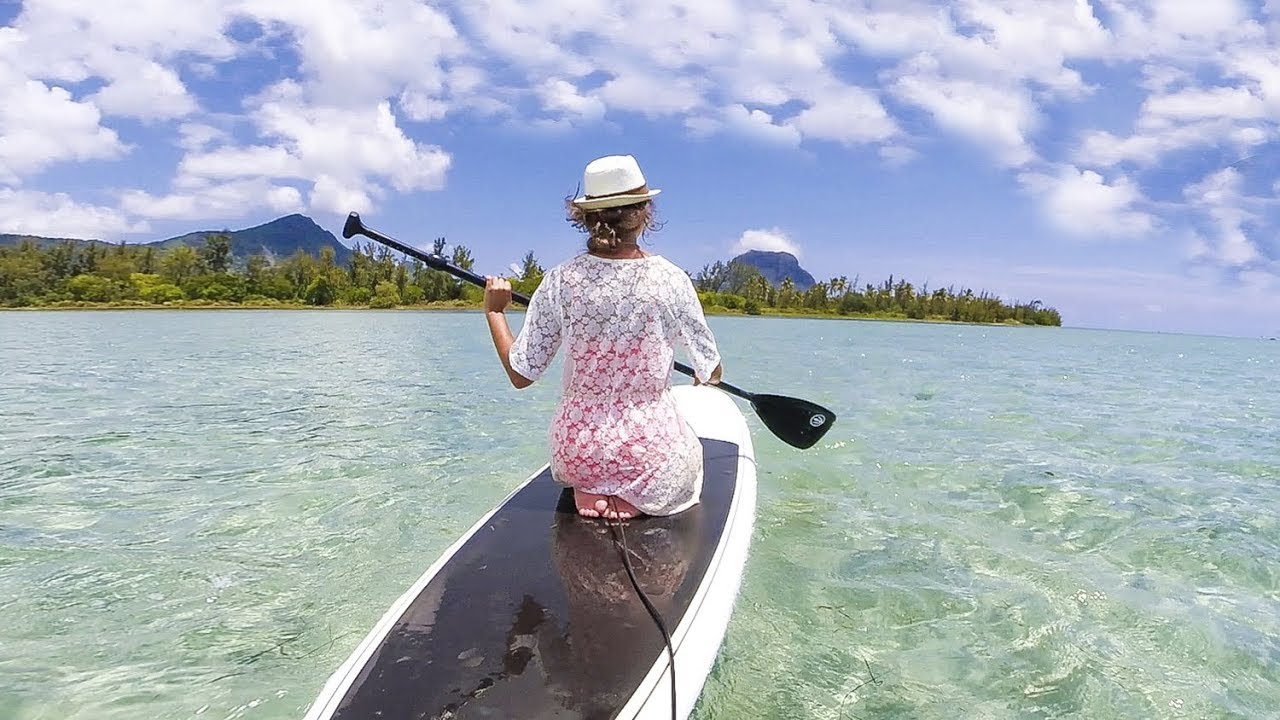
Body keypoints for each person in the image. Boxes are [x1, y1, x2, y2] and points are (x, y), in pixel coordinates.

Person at [483, 154, 723, 520]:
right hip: (648, 457)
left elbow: (522, 373)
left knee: (590, 460)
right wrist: (700, 372)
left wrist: (495, 312)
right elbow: (710, 370)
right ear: (645, 212)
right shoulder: (672, 280)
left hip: (577, 455)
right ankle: (635, 495)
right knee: (684, 454)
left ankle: (591, 488)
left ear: (585, 217)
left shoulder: (561, 280)